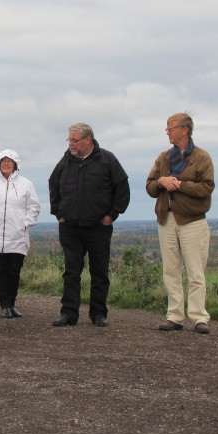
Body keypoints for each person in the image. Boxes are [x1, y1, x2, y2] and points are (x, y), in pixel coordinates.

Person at [48, 123, 130, 328]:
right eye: (69, 139)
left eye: (74, 140)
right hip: (70, 227)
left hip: (98, 227)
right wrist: (58, 213)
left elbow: (122, 187)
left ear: (88, 140)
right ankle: (68, 314)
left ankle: (99, 313)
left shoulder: (107, 159)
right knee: (71, 272)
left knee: (99, 272)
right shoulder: (65, 161)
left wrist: (112, 215)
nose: (71, 144)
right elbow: (53, 184)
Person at [146, 112, 215, 334]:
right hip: (166, 219)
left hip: (192, 221)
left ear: (184, 130)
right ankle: (174, 316)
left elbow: (206, 188)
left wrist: (180, 185)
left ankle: (199, 318)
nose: (167, 132)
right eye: (167, 129)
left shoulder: (202, 157)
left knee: (196, 272)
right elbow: (149, 186)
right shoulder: (163, 158)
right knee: (171, 270)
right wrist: (161, 181)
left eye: (171, 128)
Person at [0, 149, 41, 318]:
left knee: (14, 271)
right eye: (3, 161)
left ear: (16, 164)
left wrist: (26, 223)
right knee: (0, 271)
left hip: (17, 235)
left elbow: (33, 206)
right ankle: (4, 305)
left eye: (10, 161)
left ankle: (12, 303)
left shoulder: (26, 184)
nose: (6, 164)